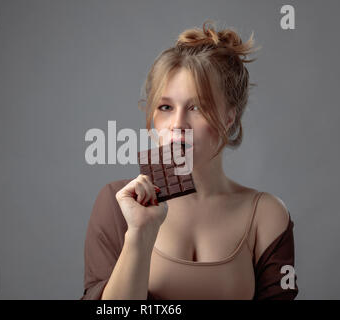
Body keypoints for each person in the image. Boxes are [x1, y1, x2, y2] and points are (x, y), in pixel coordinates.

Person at [80, 19, 299, 300]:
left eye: (197, 107)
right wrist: (139, 234)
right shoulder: (118, 204)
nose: (177, 124)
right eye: (165, 107)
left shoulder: (266, 215)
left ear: (229, 118)